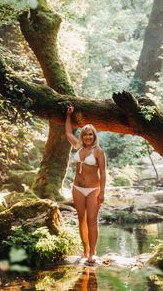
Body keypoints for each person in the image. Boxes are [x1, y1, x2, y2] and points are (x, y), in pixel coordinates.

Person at [65, 105, 106, 264]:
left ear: (94, 136)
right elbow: (68, 132)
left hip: (93, 189)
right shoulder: (78, 146)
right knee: (81, 219)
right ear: (82, 136)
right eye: (85, 134)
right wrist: (68, 116)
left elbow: (102, 172)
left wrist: (102, 192)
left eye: (90, 134)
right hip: (77, 188)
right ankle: (85, 250)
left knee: (91, 220)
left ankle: (93, 253)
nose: (88, 137)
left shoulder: (98, 151)